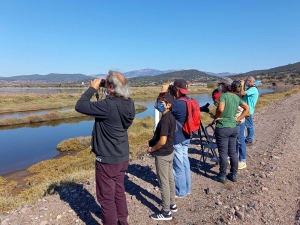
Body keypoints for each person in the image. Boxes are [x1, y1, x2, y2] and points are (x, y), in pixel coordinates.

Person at [75, 70, 135, 225]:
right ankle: (123, 222)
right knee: (119, 192)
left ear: (111, 87)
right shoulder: (129, 103)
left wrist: (93, 88)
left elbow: (80, 106)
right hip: (122, 156)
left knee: (106, 199)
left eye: (106, 83)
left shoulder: (107, 106)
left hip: (107, 159)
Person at [148, 92, 177, 221]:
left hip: (163, 154)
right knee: (170, 179)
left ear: (168, 105)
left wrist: (152, 149)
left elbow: (162, 140)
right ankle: (172, 204)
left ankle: (166, 212)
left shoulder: (165, 120)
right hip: (170, 152)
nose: (159, 104)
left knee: (163, 182)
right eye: (158, 101)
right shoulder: (171, 116)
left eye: (162, 102)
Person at [161, 79, 192, 198]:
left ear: (177, 89)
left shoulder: (177, 104)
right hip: (186, 136)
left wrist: (163, 91)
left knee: (178, 166)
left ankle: (181, 191)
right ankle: (187, 188)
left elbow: (159, 106)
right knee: (185, 163)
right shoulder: (188, 100)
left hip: (177, 138)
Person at [213, 82, 249, 183]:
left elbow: (220, 109)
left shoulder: (224, 96)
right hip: (234, 127)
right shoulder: (236, 97)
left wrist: (216, 117)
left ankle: (222, 176)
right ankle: (234, 174)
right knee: (233, 152)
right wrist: (238, 119)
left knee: (223, 153)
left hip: (223, 127)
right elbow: (247, 108)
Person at [240, 76, 259, 145]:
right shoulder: (251, 89)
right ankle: (247, 138)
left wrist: (242, 85)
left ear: (250, 81)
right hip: (246, 110)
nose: (246, 82)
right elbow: (242, 95)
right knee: (246, 124)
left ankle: (249, 140)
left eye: (246, 81)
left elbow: (242, 93)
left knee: (249, 125)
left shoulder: (253, 89)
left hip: (248, 111)